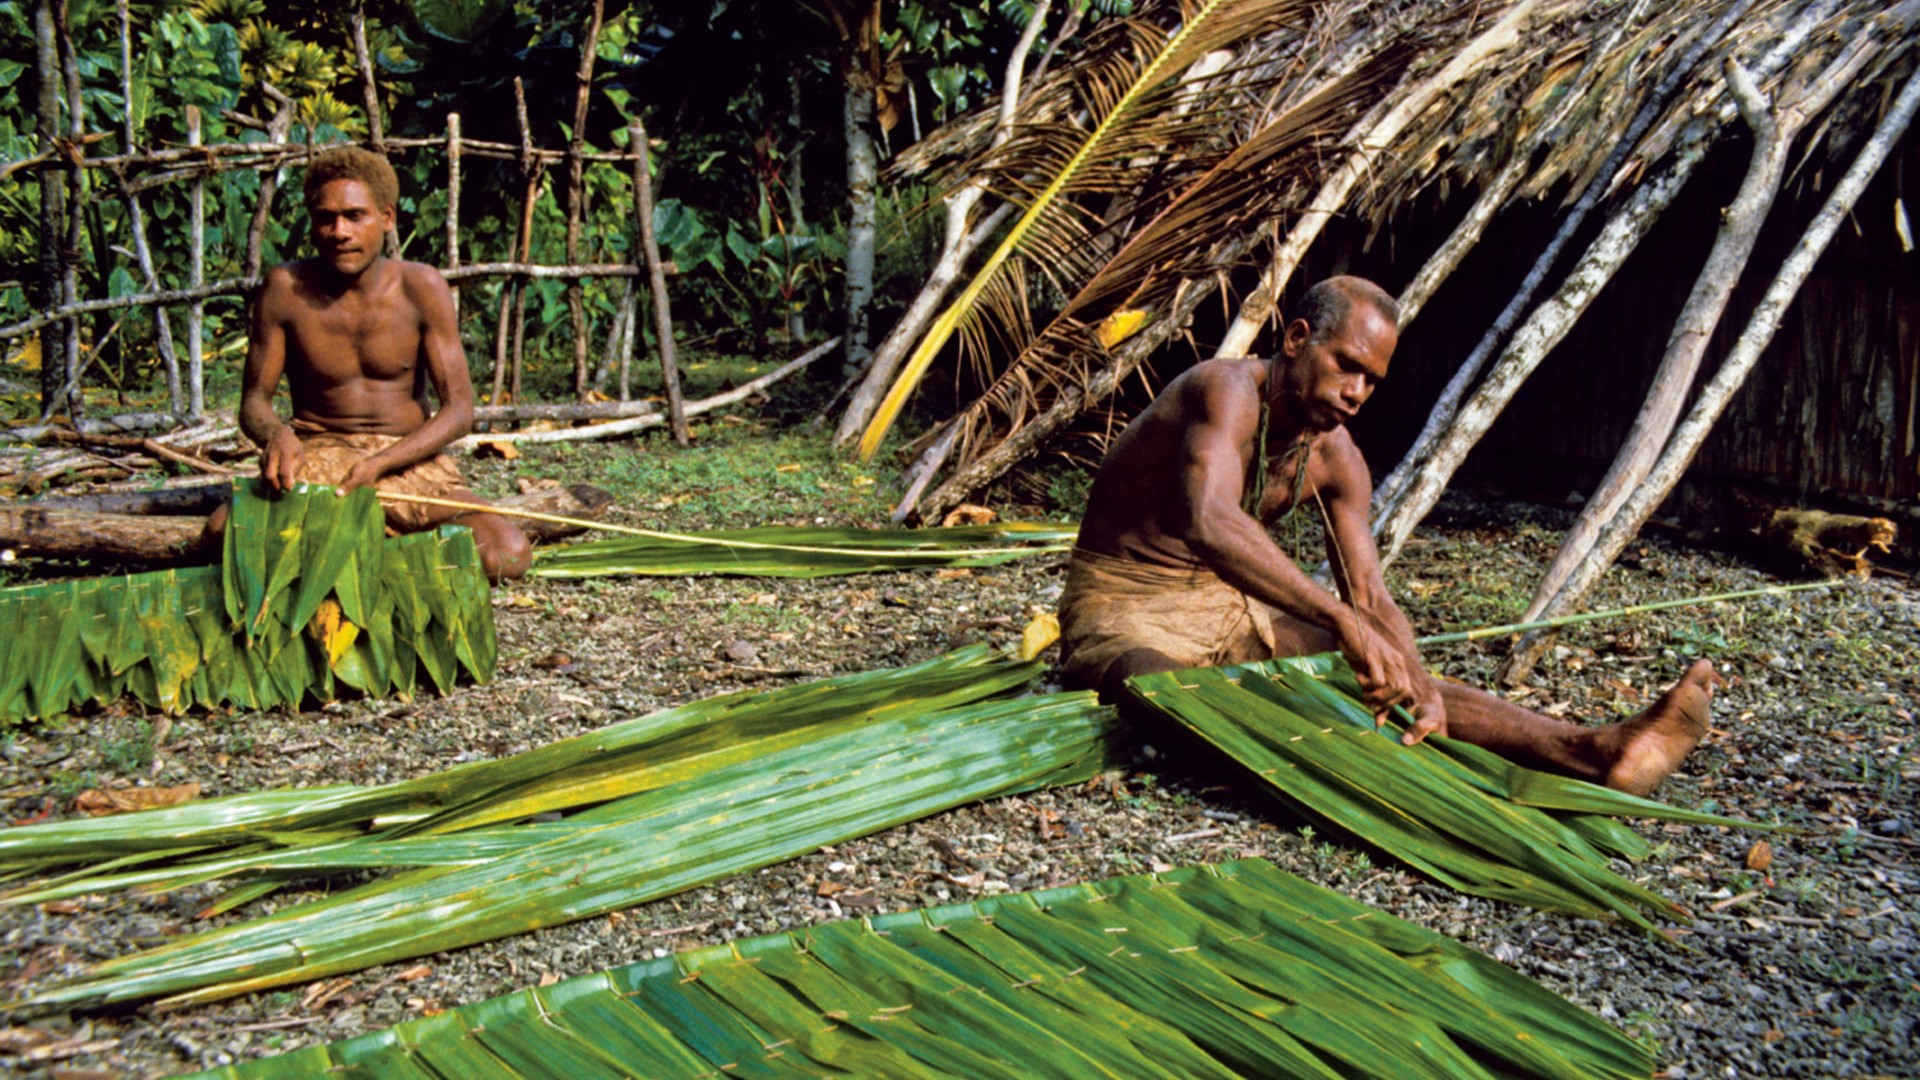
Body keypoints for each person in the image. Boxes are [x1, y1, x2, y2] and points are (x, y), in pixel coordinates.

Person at [1058, 275, 1718, 796]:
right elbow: (1213, 522)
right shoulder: (1225, 390)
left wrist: (1417, 681)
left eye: (1372, 380)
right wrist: (1341, 622)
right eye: (1346, 365)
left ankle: (1595, 751)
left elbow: (1368, 592)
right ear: (1295, 338)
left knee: (1386, 672)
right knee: (1174, 698)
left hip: (1230, 616)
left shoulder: (1337, 458)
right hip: (1125, 613)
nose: (1356, 391)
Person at [205, 147, 531, 582]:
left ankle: (350, 554)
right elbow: (254, 403)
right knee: (220, 534)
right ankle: (372, 553)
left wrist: (381, 463)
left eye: (355, 216)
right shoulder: (285, 289)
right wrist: (277, 434)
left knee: (505, 554)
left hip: (406, 460)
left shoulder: (422, 286)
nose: (340, 231)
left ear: (387, 218)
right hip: (318, 457)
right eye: (326, 218)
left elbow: (458, 411)